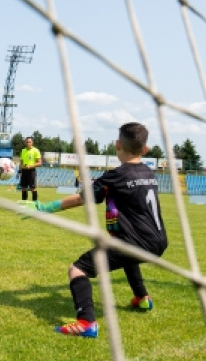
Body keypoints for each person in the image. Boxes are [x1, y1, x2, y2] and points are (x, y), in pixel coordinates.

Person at [24, 122, 167, 339]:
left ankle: (87, 323)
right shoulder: (150, 172)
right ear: (145, 149)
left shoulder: (115, 176)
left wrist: (45, 208)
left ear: (117, 145)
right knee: (128, 256)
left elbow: (83, 199)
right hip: (159, 241)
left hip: (135, 242)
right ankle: (142, 298)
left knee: (77, 270)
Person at [19, 136, 42, 202]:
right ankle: (24, 203)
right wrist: (20, 170)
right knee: (23, 188)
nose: (28, 143)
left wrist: (31, 166)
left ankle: (35, 203)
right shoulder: (23, 151)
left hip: (31, 171)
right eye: (27, 142)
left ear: (32, 143)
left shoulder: (36, 151)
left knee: (33, 188)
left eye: (29, 142)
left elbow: (39, 163)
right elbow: (21, 162)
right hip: (24, 171)